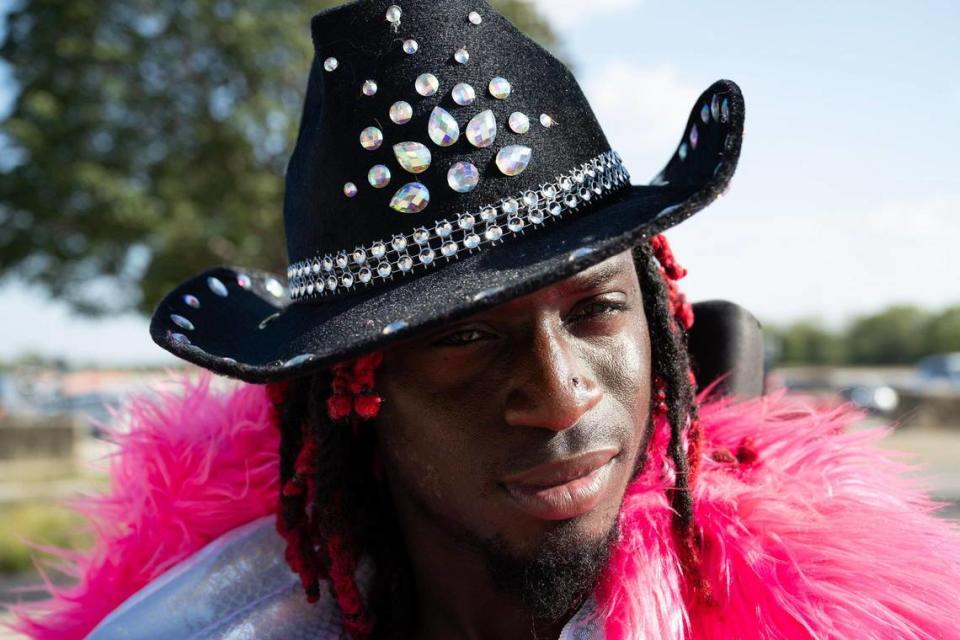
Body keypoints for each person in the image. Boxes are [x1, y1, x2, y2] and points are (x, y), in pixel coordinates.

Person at [7, 1, 960, 638]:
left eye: (595, 308)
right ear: (354, 392)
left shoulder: (832, 613)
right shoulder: (211, 621)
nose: (559, 393)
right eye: (463, 336)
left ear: (660, 318)